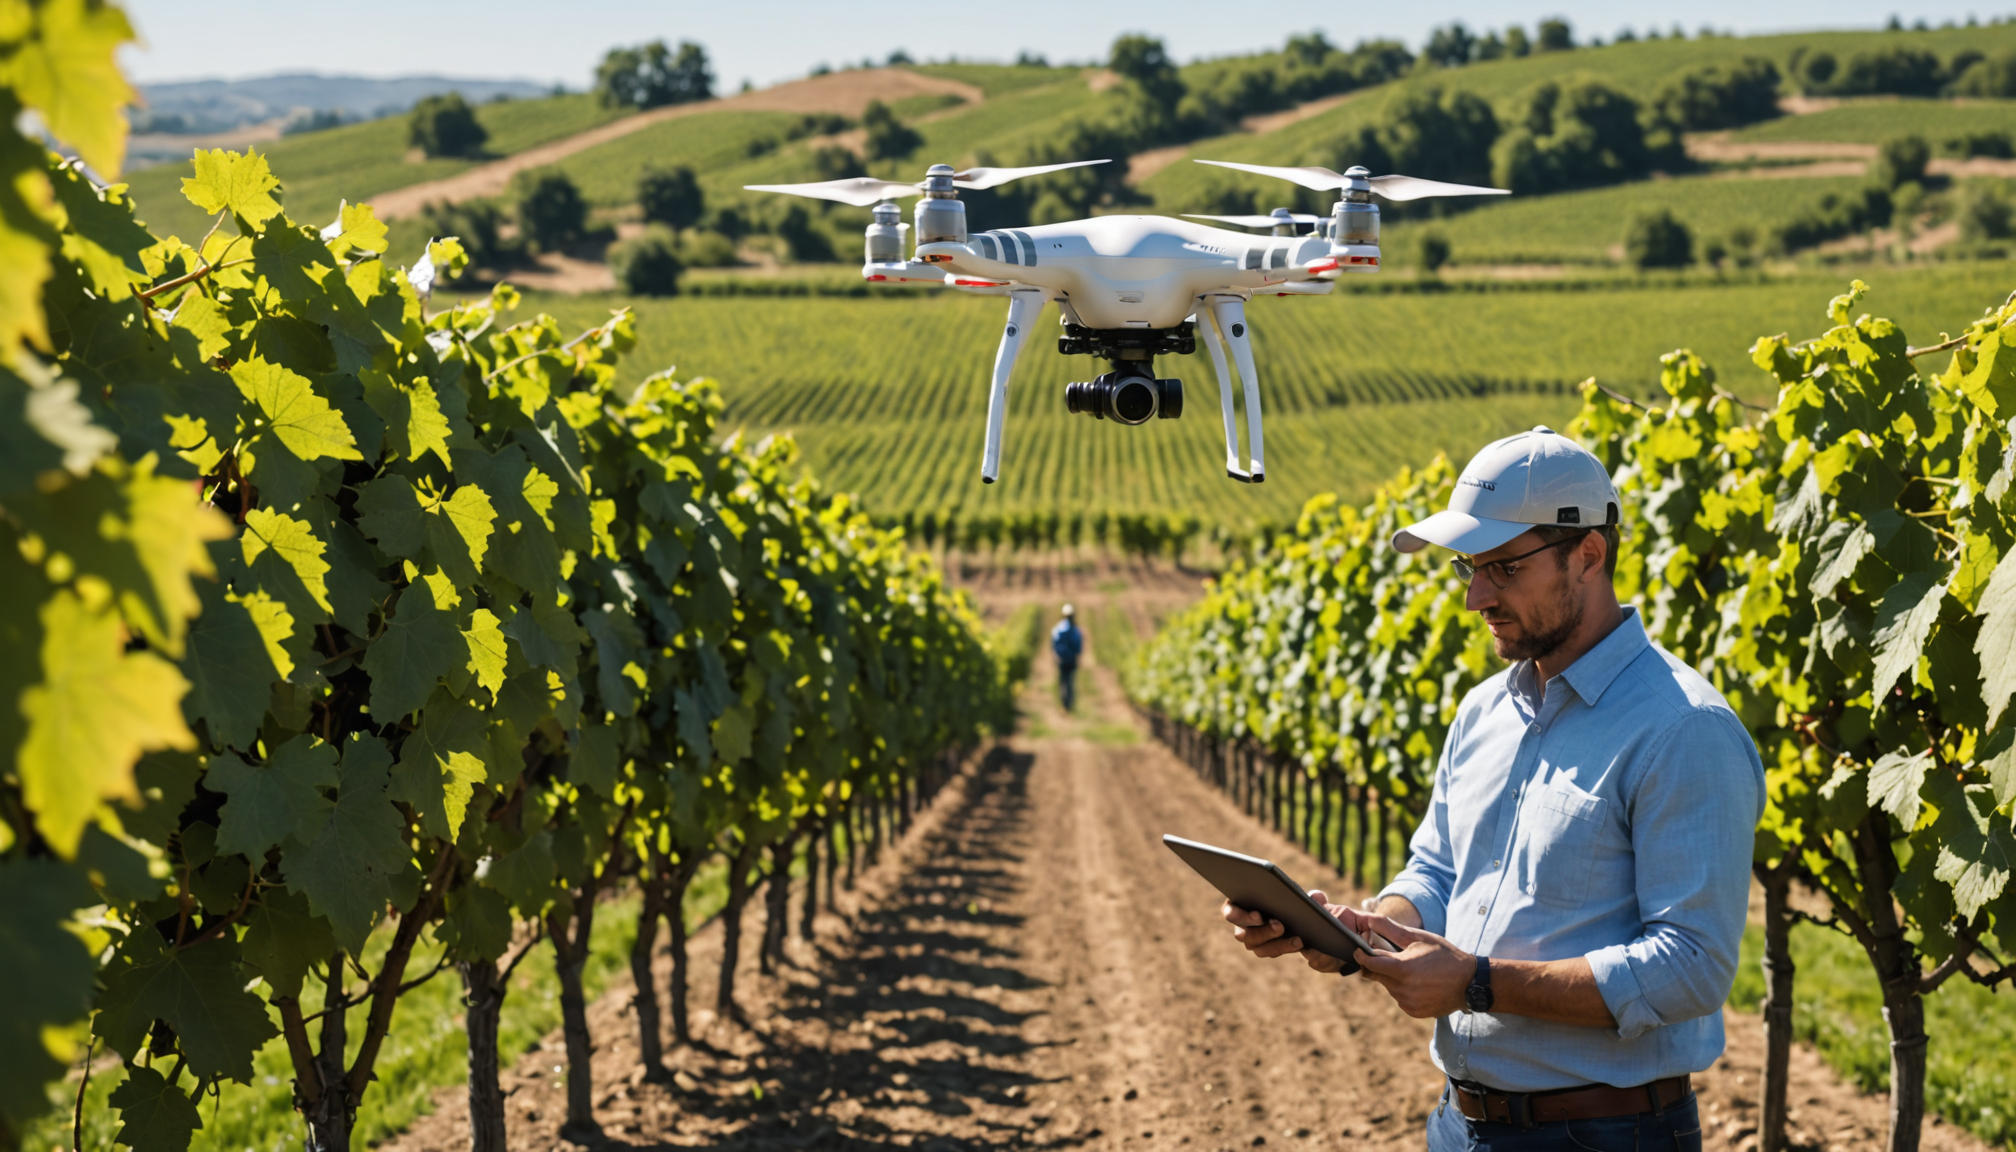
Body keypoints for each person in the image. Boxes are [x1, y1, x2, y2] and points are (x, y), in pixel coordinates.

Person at [1221, 427, 1763, 1152]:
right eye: (1470, 569)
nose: (1478, 596)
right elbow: (1439, 869)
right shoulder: (1484, 710)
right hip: (1459, 1126)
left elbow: (1690, 969)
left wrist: (1476, 983)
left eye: (1504, 569)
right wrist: (1372, 931)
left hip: (1608, 1135)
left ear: (1589, 555)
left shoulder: (1683, 729)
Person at [1050, 604, 1083, 711]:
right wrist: (1077, 656)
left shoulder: (1059, 628)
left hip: (1062, 659)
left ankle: (1065, 702)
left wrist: (1055, 654)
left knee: (1063, 680)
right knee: (1069, 680)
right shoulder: (1075, 629)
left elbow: (1054, 643)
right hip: (1071, 658)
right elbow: (1078, 644)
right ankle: (1068, 703)